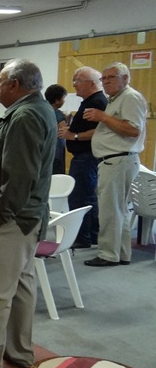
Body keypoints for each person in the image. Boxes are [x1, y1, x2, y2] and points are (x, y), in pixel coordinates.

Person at [0, 58, 56, 368]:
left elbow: (20, 176)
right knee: (21, 286)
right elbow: (1, 144)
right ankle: (19, 351)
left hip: (13, 220)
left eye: (0, 81)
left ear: (14, 84)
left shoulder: (25, 115)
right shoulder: (31, 110)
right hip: (27, 217)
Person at [84, 62, 147, 267]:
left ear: (125, 79)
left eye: (111, 77)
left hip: (118, 160)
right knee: (118, 210)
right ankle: (121, 253)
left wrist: (102, 117)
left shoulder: (130, 97)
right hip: (117, 160)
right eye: (103, 78)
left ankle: (108, 255)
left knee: (110, 211)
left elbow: (133, 130)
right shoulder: (117, 99)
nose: (105, 82)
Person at [64, 67, 106, 248]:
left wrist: (73, 135)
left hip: (86, 157)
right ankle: (92, 235)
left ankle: (83, 237)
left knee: (80, 198)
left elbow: (100, 131)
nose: (74, 84)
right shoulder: (92, 101)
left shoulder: (96, 102)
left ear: (91, 83)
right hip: (86, 157)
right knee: (88, 197)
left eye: (78, 80)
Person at [44, 84, 68, 174]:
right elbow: (63, 132)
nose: (64, 101)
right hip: (56, 149)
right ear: (57, 100)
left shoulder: (42, 110)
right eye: (63, 98)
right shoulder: (58, 114)